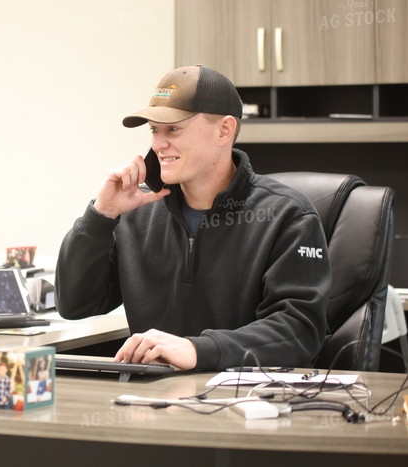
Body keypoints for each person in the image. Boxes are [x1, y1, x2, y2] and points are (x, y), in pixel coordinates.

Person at [55, 65, 330, 372]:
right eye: (154, 130)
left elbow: (299, 331)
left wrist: (198, 350)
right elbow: (75, 305)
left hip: (246, 404)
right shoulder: (135, 212)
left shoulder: (288, 215)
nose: (158, 144)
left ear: (224, 129)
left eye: (173, 129)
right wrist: (100, 217)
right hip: (151, 403)